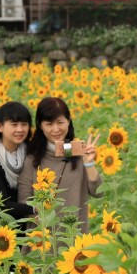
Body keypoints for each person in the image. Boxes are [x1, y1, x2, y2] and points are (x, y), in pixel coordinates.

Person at [17, 97, 102, 234]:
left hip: (75, 243)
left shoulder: (79, 152)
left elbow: (99, 192)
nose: (55, 129)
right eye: (49, 124)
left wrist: (89, 162)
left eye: (60, 122)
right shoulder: (33, 158)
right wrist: (40, 218)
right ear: (40, 125)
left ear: (69, 121)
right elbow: (24, 199)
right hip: (42, 244)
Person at [0, 101, 35, 230]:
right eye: (14, 124)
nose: (20, 129)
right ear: (0, 127)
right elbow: (1, 204)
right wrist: (36, 209)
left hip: (27, 228)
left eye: (24, 124)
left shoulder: (31, 153)